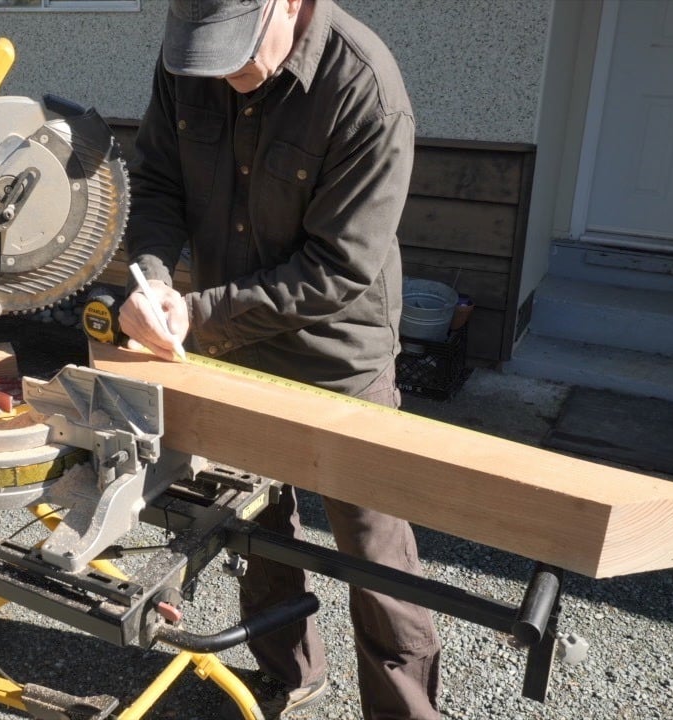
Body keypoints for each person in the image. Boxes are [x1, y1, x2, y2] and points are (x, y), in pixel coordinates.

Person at [118, 0, 441, 717]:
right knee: (254, 529)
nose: (224, 71)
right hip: (229, 347)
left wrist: (197, 311)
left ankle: (405, 712)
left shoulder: (365, 89)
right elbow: (159, 184)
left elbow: (337, 267)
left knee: (378, 562)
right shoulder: (191, 60)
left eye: (236, 48)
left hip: (338, 361)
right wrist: (153, 279)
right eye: (207, 52)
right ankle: (290, 674)